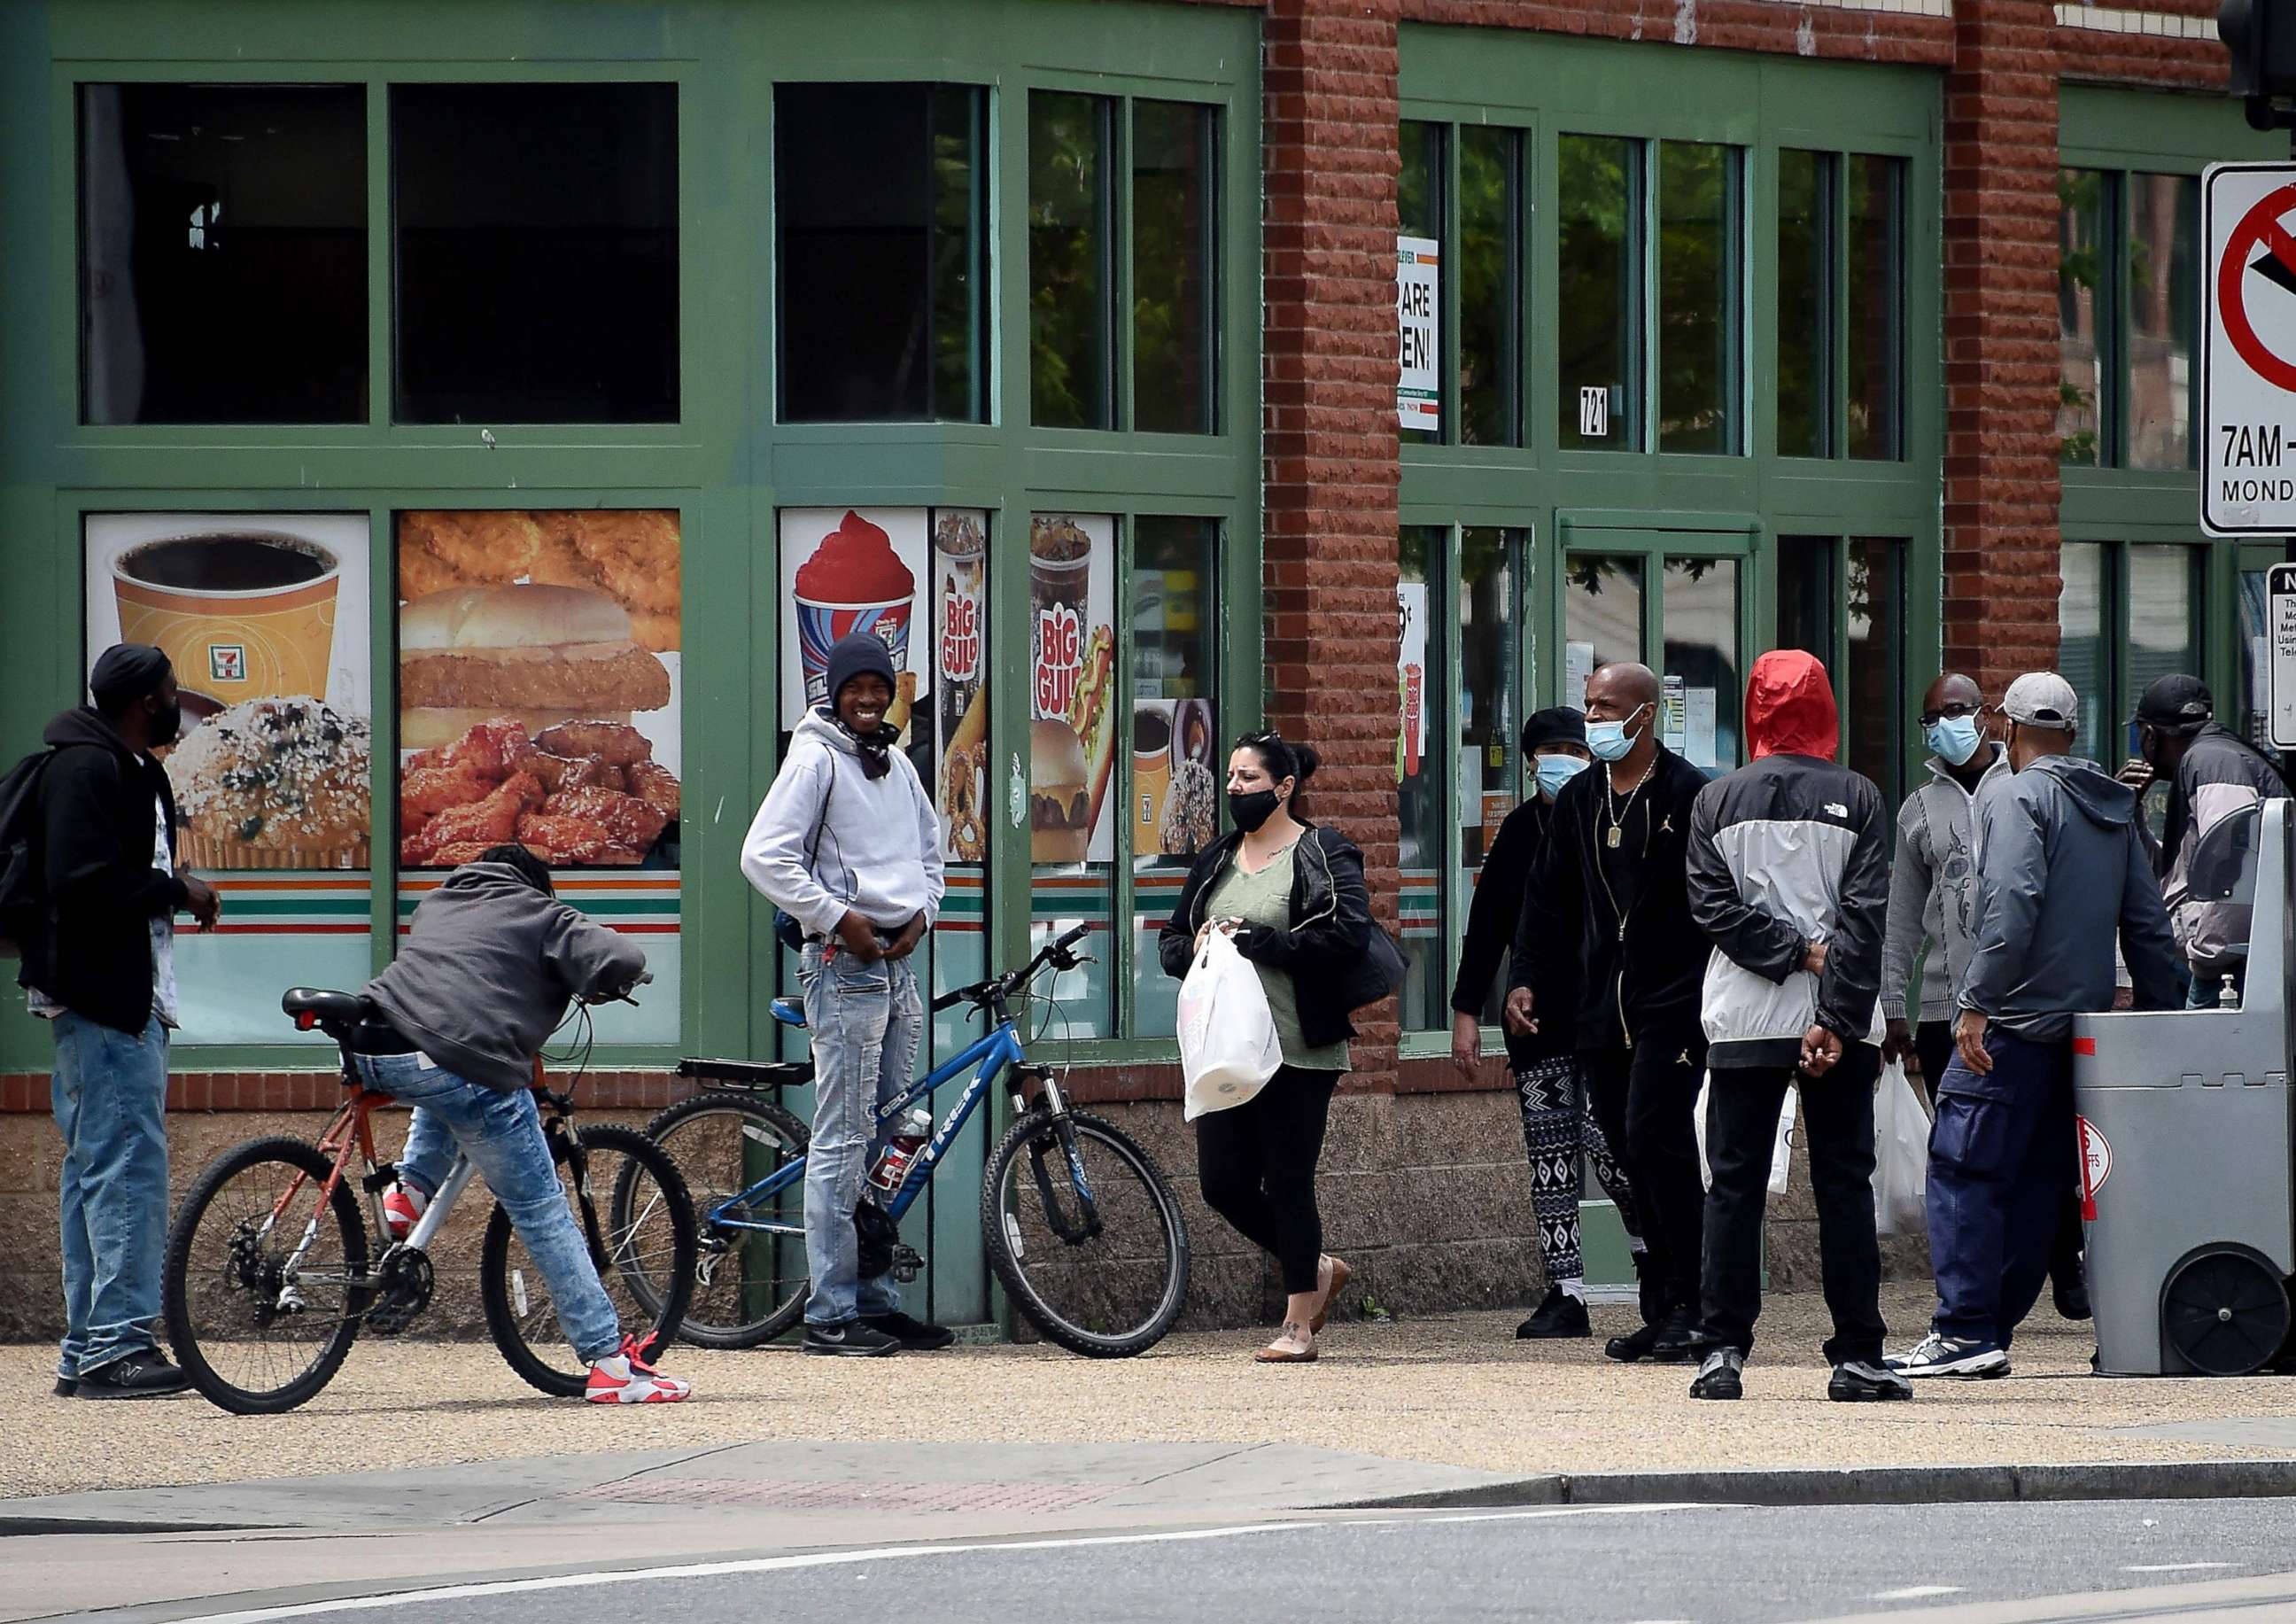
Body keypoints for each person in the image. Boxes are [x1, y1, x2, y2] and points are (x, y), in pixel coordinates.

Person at [1889, 672, 2182, 1379]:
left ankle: (1964, 1329)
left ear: (2008, 729)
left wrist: (1976, 1001)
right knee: (2035, 1184)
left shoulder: (2020, 794)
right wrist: (2165, 1017)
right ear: (2073, 734)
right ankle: (1990, 1328)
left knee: (1961, 1168)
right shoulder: (2111, 805)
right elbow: (2146, 922)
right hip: (2074, 1031)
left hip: (2011, 1021)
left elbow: (2013, 898)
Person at [359, 843, 688, 1403]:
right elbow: (622, 958)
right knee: (540, 1210)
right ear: (537, 885)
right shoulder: (541, 913)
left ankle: (407, 1195)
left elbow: (452, 999)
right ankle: (610, 1364)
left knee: (446, 1071)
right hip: (459, 1063)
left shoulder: (438, 903)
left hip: (376, 1043)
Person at [1682, 650, 1907, 1403]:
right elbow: (1868, 918)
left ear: (1754, 710)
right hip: (1837, 1020)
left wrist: (1785, 951)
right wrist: (1838, 1015)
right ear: (1824, 708)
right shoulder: (1861, 797)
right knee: (1844, 1182)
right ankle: (1857, 1354)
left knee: (1734, 1186)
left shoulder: (1715, 800)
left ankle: (1721, 1350)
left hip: (1744, 1015)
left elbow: (1712, 910)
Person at [741, 633, 950, 1357]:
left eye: (880, 685)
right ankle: (829, 1314)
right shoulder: (816, 756)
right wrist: (838, 917)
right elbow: (762, 855)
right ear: (834, 690)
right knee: (844, 1136)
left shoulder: (894, 763)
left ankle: (874, 1298)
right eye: (856, 685)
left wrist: (923, 912)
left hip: (896, 965)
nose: (869, 697)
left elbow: (932, 849)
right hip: (844, 964)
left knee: (893, 1133)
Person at [21, 645, 219, 1399]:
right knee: (128, 1165)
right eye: (170, 691)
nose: (177, 701)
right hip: (106, 1000)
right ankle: (117, 1346)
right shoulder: (86, 767)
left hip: (117, 997)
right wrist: (175, 886)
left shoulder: (128, 765)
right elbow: (78, 876)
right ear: (145, 700)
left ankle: (90, 1345)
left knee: (96, 1170)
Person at [1507, 663, 1712, 1364]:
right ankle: (1664, 1305)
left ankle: (1696, 1301)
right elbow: (1546, 898)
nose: (1593, 719)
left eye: (1606, 708)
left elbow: (1709, 902)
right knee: (1628, 1152)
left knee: (1659, 1139)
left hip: (1671, 1004)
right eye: (1589, 705)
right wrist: (1525, 978)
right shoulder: (1582, 799)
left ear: (1644, 715)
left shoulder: (1688, 794)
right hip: (1600, 1005)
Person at [1160, 729, 1385, 1364]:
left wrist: (1271, 942)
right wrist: (1199, 942)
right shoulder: (1217, 858)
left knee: (1288, 1180)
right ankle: (1315, 1266)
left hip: (1296, 1047)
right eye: (1231, 779)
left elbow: (1349, 932)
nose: (1236, 789)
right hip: (1227, 1046)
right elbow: (1171, 942)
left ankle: (1297, 1325)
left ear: (1284, 787)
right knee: (1222, 1183)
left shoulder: (1321, 850)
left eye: (1249, 780)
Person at [1881, 676, 2089, 1324]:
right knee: (1966, 1161)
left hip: (2027, 1006)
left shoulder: (2028, 789)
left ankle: (2065, 1267)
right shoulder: (1918, 810)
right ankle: (1977, 1294)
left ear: (1990, 717)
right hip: (1948, 1010)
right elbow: (1902, 918)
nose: (1949, 723)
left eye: (1959, 710)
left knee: (2048, 1147)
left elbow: (2077, 892)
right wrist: (1893, 1002)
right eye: (1934, 715)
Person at [1449, 707, 1647, 1340]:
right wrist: (1465, 1012)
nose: (1562, 758)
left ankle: (1657, 1253)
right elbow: (1486, 929)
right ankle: (1567, 1290)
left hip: (1609, 1017)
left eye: (1573, 746)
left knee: (1611, 1143)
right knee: (1551, 1158)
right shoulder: (1517, 833)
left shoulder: (1613, 820)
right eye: (1550, 749)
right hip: (1536, 1022)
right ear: (1531, 760)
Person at [2122, 673, 2287, 1005]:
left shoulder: (2211, 762)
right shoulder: (2211, 758)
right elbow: (2175, 878)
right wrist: (2131, 813)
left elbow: (2233, 871)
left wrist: (2207, 959)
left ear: (2151, 736)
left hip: (2228, 971)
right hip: (2230, 963)